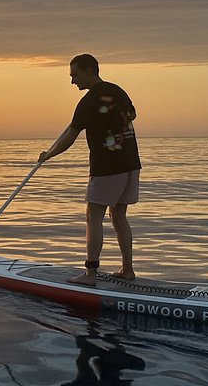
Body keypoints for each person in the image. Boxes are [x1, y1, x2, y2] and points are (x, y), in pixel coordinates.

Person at [38, 54, 141, 285]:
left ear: (90, 70)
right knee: (118, 216)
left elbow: (70, 137)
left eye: (75, 75)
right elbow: (132, 114)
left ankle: (90, 274)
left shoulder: (88, 101)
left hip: (107, 167)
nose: (73, 81)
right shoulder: (117, 90)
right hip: (131, 163)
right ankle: (128, 269)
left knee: (93, 217)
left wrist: (49, 155)